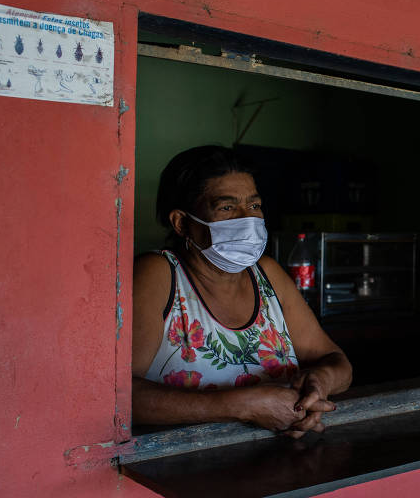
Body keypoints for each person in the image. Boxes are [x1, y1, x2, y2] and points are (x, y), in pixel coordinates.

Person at [132, 145, 352, 438]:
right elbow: (120, 395)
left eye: (254, 206)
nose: (247, 219)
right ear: (182, 223)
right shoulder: (158, 274)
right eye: (227, 208)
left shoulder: (267, 274)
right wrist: (242, 405)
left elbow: (338, 363)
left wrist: (320, 382)